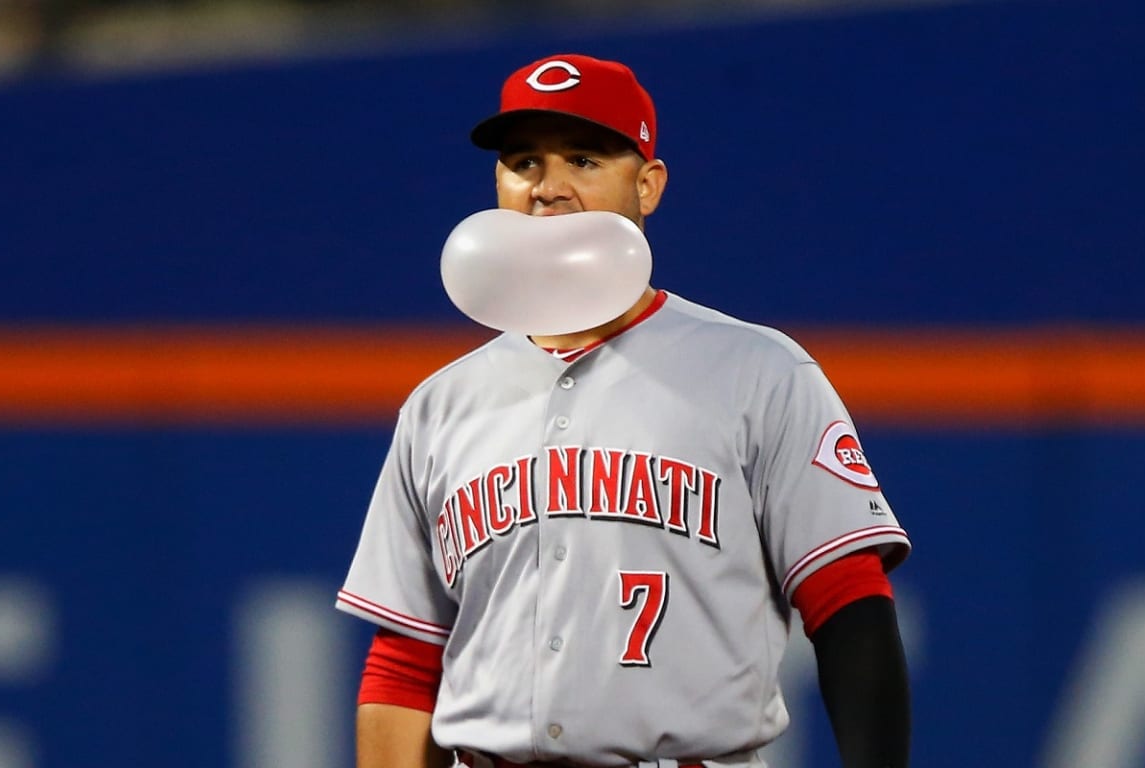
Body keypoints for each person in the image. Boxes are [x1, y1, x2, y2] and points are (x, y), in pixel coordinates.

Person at [335, 53, 912, 768]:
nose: (548, 188)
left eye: (583, 158)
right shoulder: (440, 405)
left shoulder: (758, 371)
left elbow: (848, 601)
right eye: (523, 163)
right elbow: (405, 660)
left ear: (648, 185)